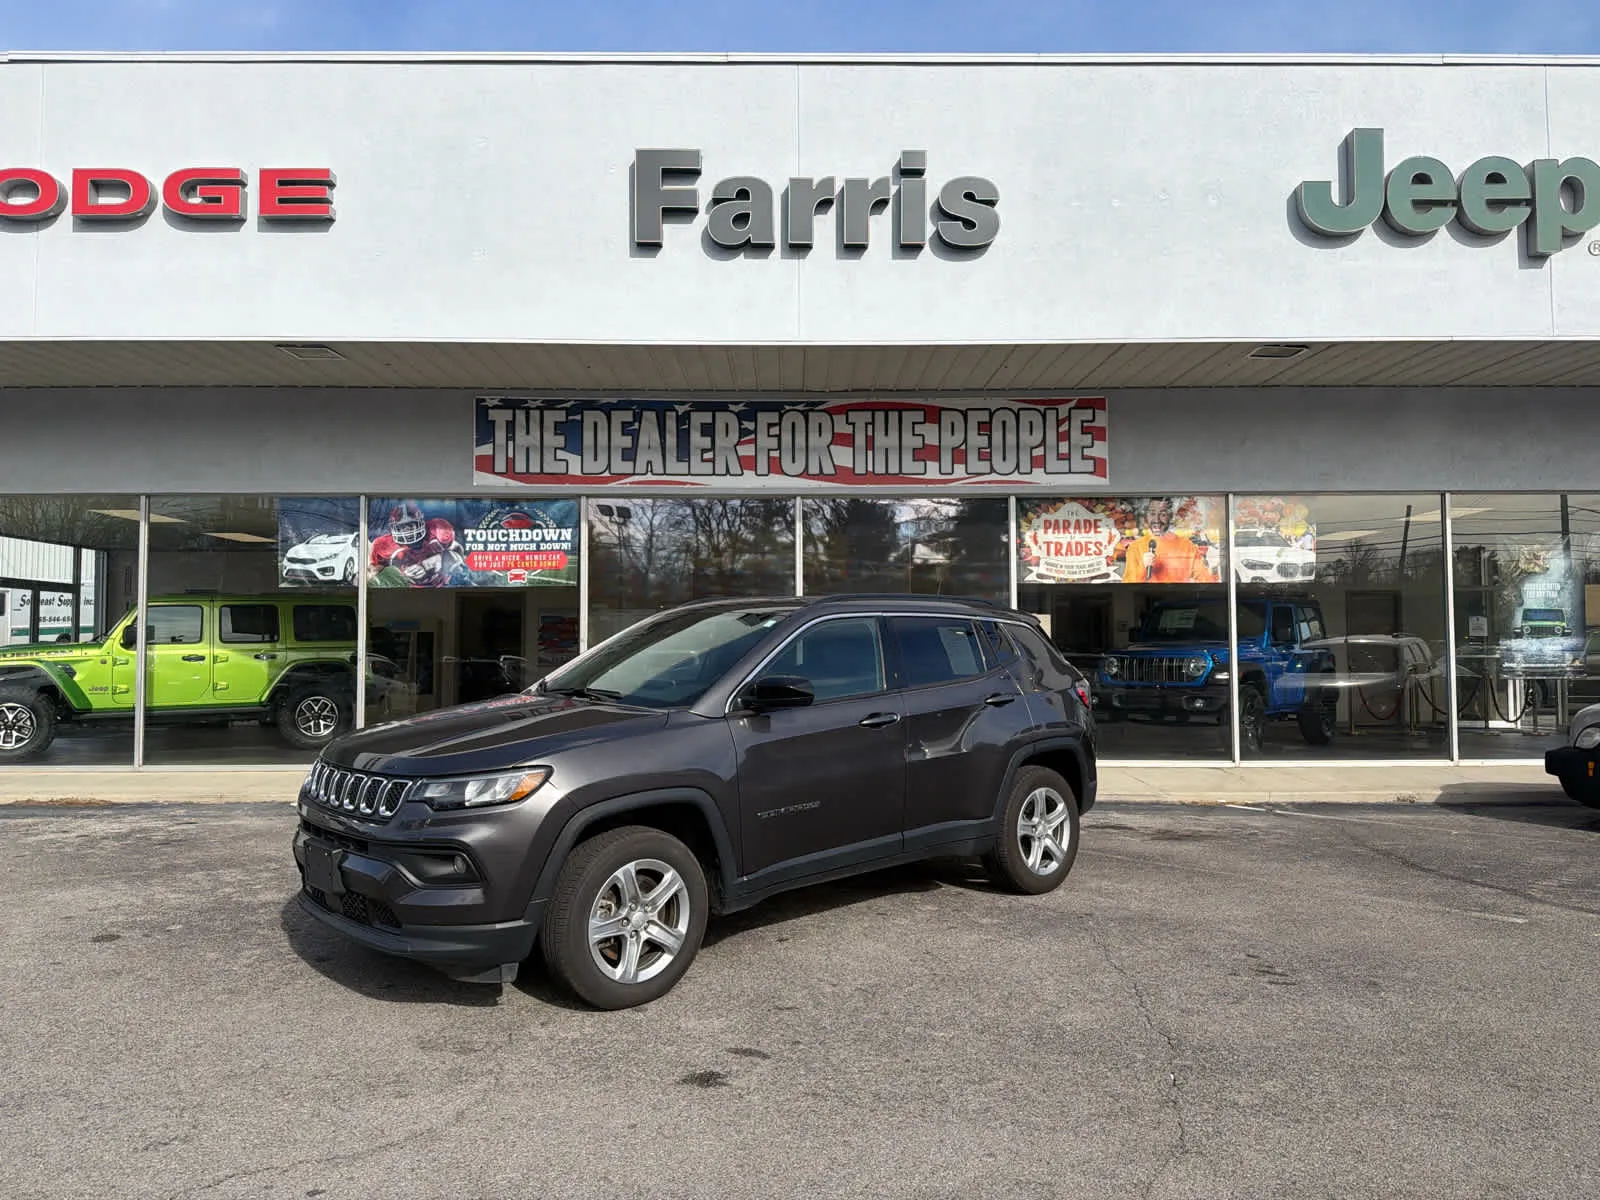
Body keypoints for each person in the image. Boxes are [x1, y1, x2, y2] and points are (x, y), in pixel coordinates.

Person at [1122, 497, 1219, 583]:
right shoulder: (1135, 548)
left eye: (1163, 514)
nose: (1156, 520)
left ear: (1170, 517)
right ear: (1146, 517)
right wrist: (1143, 567)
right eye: (1152, 513)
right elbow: (1127, 587)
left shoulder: (1187, 547)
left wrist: (1214, 569)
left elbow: (1205, 580)